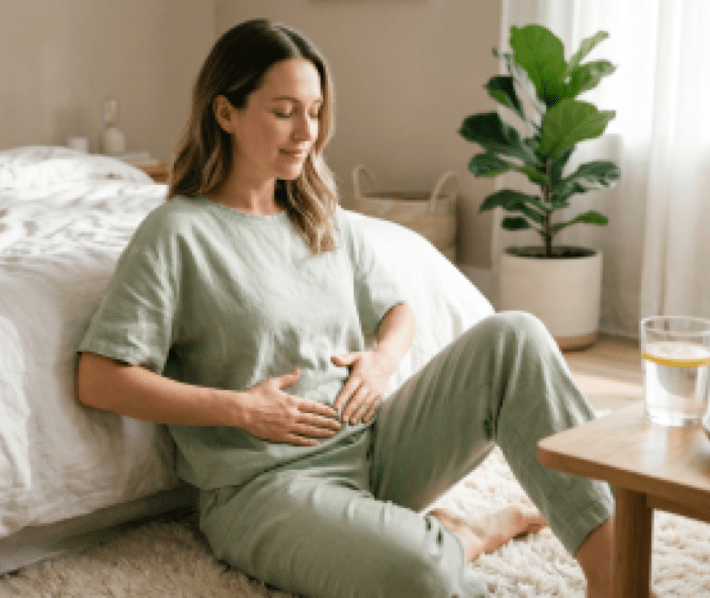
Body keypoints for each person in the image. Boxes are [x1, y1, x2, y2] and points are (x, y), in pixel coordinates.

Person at [76, 18, 617, 598]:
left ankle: (619, 581)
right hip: (265, 488)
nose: (305, 131)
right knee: (425, 572)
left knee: (517, 336)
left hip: (372, 447)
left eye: (314, 112)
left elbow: (399, 310)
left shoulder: (319, 216)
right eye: (284, 111)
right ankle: (453, 540)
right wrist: (240, 410)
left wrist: (383, 362)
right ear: (225, 112)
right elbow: (100, 379)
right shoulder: (177, 232)